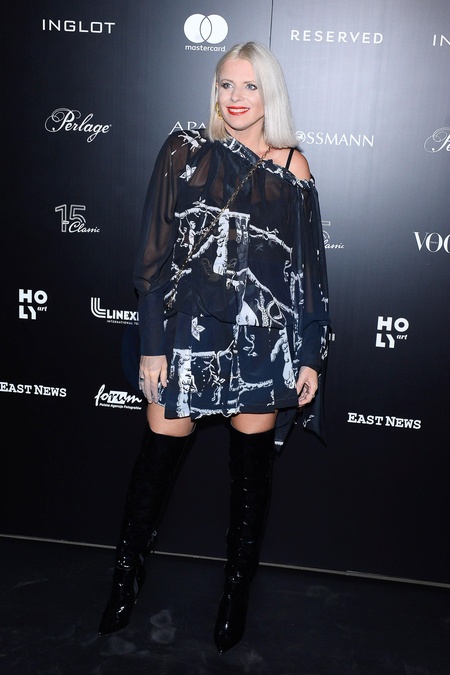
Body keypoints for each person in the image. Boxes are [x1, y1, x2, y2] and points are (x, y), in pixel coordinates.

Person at [98, 41, 330, 653]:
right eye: (227, 84)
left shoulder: (294, 167)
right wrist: (153, 346)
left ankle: (235, 595)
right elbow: (151, 258)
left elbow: (308, 272)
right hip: (184, 339)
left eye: (250, 86)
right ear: (215, 89)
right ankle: (123, 585)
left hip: (261, 343)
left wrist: (309, 352)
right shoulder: (184, 150)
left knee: (250, 481)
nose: (236, 98)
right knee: (154, 467)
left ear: (270, 94)